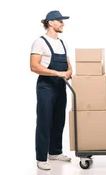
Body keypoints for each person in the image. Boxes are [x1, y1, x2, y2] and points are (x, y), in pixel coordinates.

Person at [30, 10, 74, 171]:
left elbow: (68, 62)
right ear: (50, 23)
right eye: (60, 21)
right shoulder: (40, 42)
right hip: (46, 87)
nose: (63, 23)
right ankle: (41, 158)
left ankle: (55, 152)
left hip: (61, 86)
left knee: (59, 119)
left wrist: (69, 71)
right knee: (44, 121)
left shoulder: (63, 43)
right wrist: (58, 73)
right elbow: (34, 66)